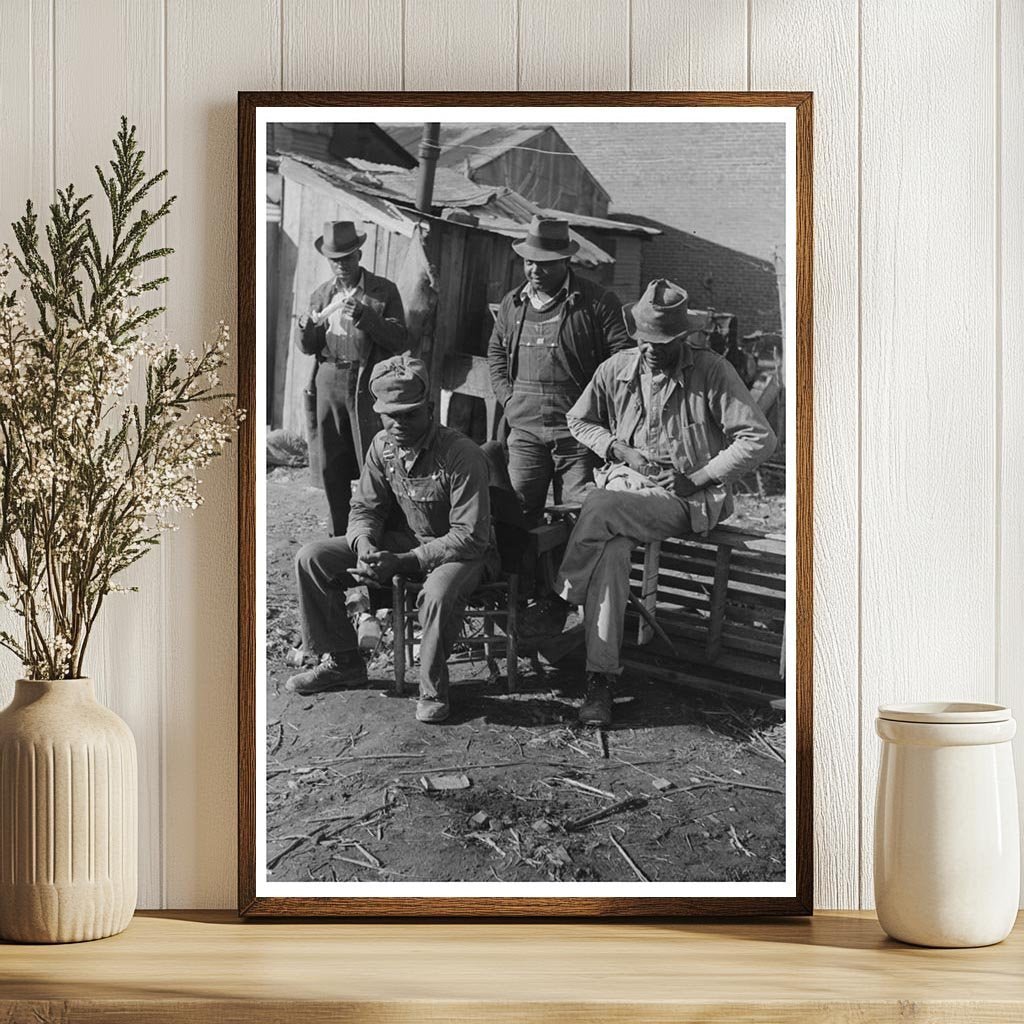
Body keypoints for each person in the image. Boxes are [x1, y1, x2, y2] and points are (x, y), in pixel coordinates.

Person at [555, 280, 777, 727]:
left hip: (683, 499)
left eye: (662, 342)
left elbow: (759, 438)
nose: (651, 350)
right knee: (611, 554)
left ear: (682, 336)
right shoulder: (617, 367)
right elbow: (578, 420)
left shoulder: (712, 371)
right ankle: (601, 681)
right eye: (644, 340)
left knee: (599, 505)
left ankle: (561, 600)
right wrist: (619, 449)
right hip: (626, 488)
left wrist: (698, 477)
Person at [285, 356, 497, 724]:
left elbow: (469, 536)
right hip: (408, 542)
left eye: (409, 414)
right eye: (389, 416)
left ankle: (433, 688)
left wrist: (403, 561)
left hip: (463, 554)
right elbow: (365, 508)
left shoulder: (461, 454)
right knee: (312, 558)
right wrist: (364, 544)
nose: (398, 424)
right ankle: (343, 662)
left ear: (429, 409)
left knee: (437, 593)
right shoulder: (382, 446)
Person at [487, 215, 631, 526]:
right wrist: (508, 398)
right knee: (518, 515)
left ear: (566, 261)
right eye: (529, 263)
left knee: (580, 515)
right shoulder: (513, 303)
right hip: (524, 431)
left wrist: (597, 408)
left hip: (578, 434)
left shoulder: (597, 302)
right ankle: (527, 562)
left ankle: (568, 561)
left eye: (545, 264)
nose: (535, 271)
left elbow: (623, 359)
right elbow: (496, 352)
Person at [297, 220, 407, 536]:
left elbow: (399, 339)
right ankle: (339, 537)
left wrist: (365, 316)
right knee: (332, 467)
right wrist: (305, 327)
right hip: (329, 380)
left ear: (359, 254)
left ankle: (383, 535)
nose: (341, 265)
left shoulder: (383, 291)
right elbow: (308, 348)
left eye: (347, 258)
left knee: (376, 460)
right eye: (335, 260)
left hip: (368, 383)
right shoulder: (322, 294)